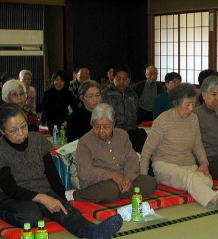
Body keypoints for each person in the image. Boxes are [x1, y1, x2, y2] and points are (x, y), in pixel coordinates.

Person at [0, 103, 122, 239]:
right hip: (13, 196)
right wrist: (42, 198)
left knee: (66, 211)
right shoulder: (1, 149)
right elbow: (10, 188)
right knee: (32, 217)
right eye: (13, 130)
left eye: (23, 126)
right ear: (2, 131)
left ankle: (93, 231)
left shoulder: (38, 140)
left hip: (43, 191)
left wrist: (62, 198)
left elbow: (52, 174)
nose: (21, 133)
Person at [140, 83, 218, 212]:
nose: (191, 108)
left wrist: (204, 164)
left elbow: (198, 145)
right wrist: (143, 179)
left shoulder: (193, 119)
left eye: (193, 104)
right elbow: (146, 152)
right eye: (187, 105)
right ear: (176, 103)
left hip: (188, 165)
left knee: (207, 181)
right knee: (193, 178)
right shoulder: (162, 121)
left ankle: (213, 196)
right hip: (165, 166)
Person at [69, 103, 157, 203]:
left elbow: (132, 159)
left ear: (113, 124)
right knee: (110, 190)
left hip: (123, 178)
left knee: (150, 182)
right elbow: (84, 173)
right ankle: (77, 195)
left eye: (106, 127)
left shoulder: (122, 135)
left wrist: (127, 178)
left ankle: (120, 192)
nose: (101, 131)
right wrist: (111, 175)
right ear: (92, 124)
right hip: (100, 183)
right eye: (97, 126)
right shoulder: (85, 142)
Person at [102, 65, 147, 153]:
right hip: (113, 132)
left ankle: (141, 163)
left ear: (129, 80)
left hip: (131, 130)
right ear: (113, 79)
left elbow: (136, 114)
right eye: (118, 79)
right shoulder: (105, 94)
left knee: (142, 135)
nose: (122, 82)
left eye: (125, 79)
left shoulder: (133, 94)